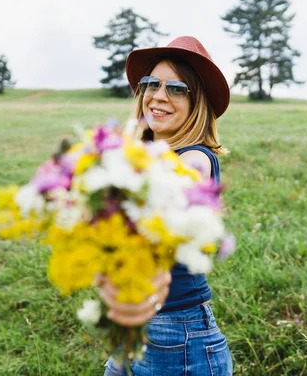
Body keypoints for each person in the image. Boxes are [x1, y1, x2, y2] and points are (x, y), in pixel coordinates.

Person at [98, 36, 233, 376]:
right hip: (137, 328)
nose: (158, 96)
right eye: (151, 84)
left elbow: (175, 212)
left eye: (176, 88)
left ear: (196, 102)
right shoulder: (141, 159)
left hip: (178, 336)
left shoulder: (192, 160)